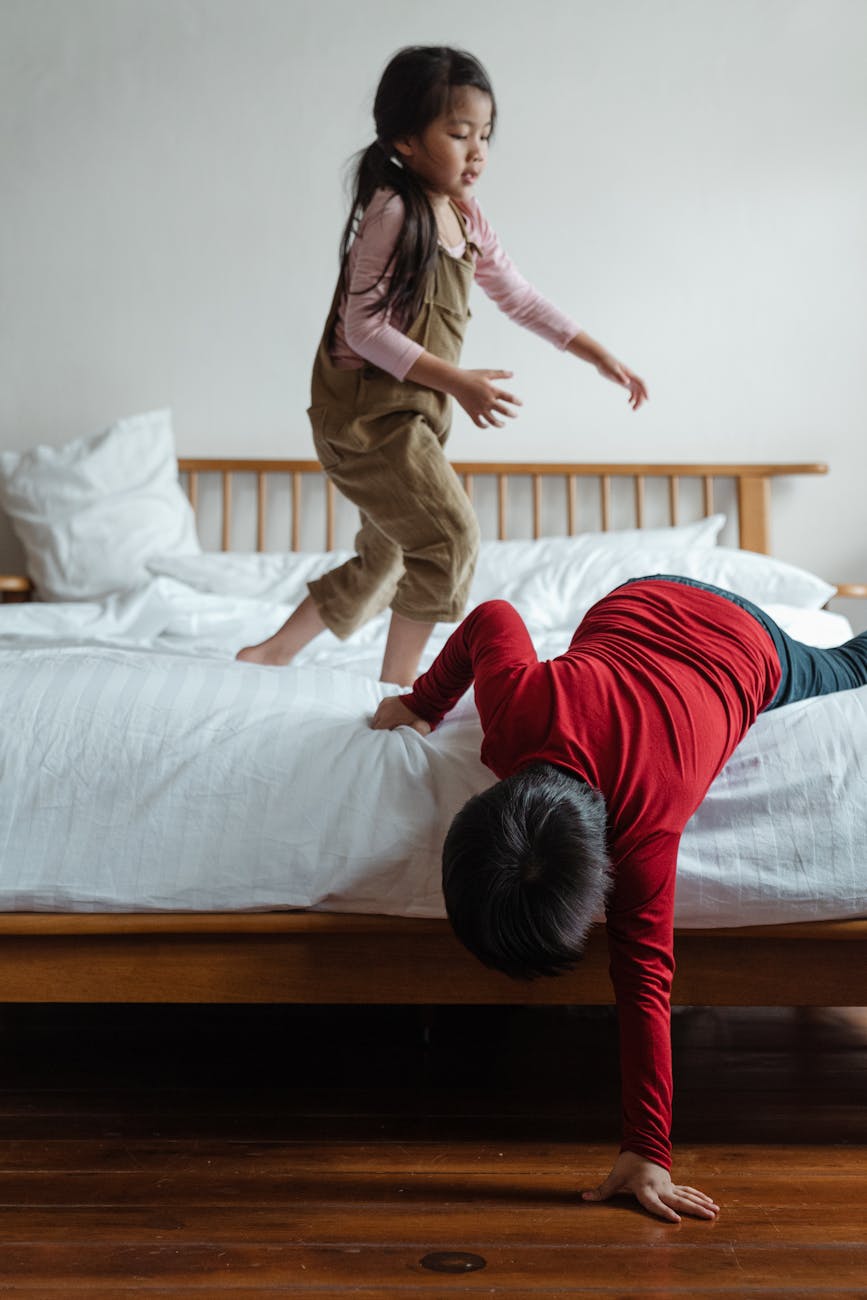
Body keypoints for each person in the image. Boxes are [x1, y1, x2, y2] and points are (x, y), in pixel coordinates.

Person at [370, 575, 867, 1221]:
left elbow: (645, 980)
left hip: (746, 643)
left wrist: (648, 1149)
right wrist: (421, 702)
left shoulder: (645, 832)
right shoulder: (515, 704)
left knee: (850, 665)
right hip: (646, 594)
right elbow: (491, 614)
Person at [237, 45, 647, 683]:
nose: (478, 150)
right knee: (449, 539)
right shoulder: (394, 213)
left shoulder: (466, 215)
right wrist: (459, 381)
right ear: (405, 139)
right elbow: (362, 328)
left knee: (387, 557)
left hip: (408, 419)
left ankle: (269, 653)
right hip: (365, 422)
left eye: (485, 134)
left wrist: (595, 353)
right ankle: (398, 688)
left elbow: (517, 293)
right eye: (459, 134)